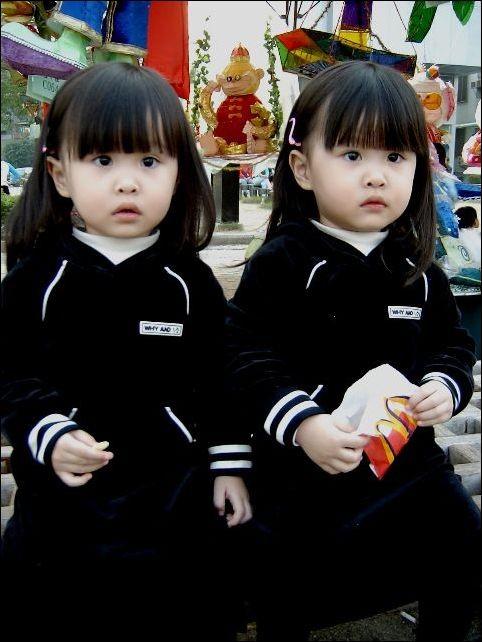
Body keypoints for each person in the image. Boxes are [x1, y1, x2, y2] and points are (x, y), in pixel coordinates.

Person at [225, 61, 480, 642]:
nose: (376, 176)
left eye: (395, 157)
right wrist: (302, 423)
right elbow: (243, 353)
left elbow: (453, 343)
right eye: (352, 155)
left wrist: (444, 385)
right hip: (304, 466)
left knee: (463, 539)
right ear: (302, 168)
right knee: (282, 580)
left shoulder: (418, 269)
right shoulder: (284, 261)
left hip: (406, 465)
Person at [1, 62, 252, 641]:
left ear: (180, 172)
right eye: (102, 160)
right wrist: (49, 432)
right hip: (63, 504)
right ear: (60, 174)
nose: (127, 183)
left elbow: (220, 381)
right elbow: (11, 374)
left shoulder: (190, 283)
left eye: (149, 162)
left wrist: (229, 466)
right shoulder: (36, 280)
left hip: (173, 503)